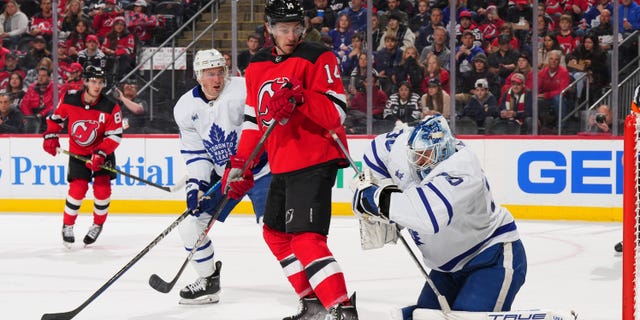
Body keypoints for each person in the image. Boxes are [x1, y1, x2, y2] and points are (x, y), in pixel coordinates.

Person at [223, 0, 357, 318]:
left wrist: (302, 97)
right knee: (275, 233)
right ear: (269, 29)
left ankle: (342, 307)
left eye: (296, 28)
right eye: (283, 29)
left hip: (315, 156)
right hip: (282, 162)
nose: (291, 35)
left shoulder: (317, 55)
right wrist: (241, 164)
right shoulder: (256, 65)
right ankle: (312, 302)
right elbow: (255, 121)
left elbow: (336, 112)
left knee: (307, 238)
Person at [352, 114, 527, 319]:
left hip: (490, 258)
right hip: (446, 268)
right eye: (416, 155)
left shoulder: (463, 169)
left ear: (442, 151)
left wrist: (378, 199)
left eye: (425, 156)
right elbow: (376, 151)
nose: (418, 162)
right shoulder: (404, 146)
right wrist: (379, 184)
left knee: (465, 317)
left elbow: (426, 216)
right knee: (424, 316)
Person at [172, 49, 271, 305]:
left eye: (220, 72)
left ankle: (310, 282)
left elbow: (264, 125)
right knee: (190, 225)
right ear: (198, 76)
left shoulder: (243, 89)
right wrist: (196, 186)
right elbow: (196, 153)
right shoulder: (185, 108)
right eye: (209, 74)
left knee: (274, 228)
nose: (216, 79)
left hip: (261, 170)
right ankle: (208, 281)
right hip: (224, 177)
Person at [41, 65, 123, 248]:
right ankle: (68, 225)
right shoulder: (70, 99)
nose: (97, 86)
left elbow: (115, 135)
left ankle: (97, 225)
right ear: (86, 82)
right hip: (78, 154)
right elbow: (56, 120)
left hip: (102, 154)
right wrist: (51, 135)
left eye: (101, 82)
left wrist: (101, 153)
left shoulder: (110, 106)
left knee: (102, 191)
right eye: (94, 81)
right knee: (77, 190)